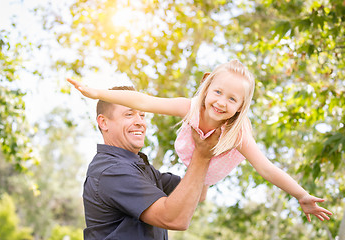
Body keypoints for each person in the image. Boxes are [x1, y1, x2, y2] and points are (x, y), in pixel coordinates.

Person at [68, 59, 333, 222]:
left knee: (201, 188)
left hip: (216, 161)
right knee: (195, 189)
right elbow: (145, 101)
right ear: (207, 88)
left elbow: (266, 168)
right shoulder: (191, 106)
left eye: (232, 99)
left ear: (241, 106)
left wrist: (301, 195)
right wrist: (97, 93)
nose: (221, 102)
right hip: (194, 152)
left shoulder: (238, 132)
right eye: (218, 92)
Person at [81, 85, 221, 239]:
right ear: (104, 122)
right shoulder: (111, 171)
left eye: (142, 115)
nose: (140, 122)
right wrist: (202, 155)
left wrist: (208, 127)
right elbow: (175, 219)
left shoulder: (140, 168)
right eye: (129, 114)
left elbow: (198, 192)